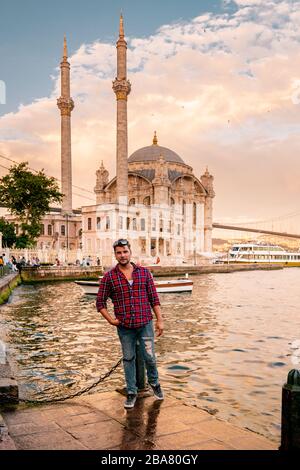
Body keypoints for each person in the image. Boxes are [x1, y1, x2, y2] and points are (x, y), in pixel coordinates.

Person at [96, 238, 164, 409]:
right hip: (125, 327)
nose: (122, 255)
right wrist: (111, 320)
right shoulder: (109, 277)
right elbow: (100, 303)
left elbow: (153, 298)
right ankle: (132, 392)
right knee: (128, 359)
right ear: (115, 255)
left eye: (125, 251)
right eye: (119, 252)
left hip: (145, 323)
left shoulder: (144, 273)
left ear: (130, 252)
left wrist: (160, 320)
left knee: (149, 357)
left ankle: (155, 383)